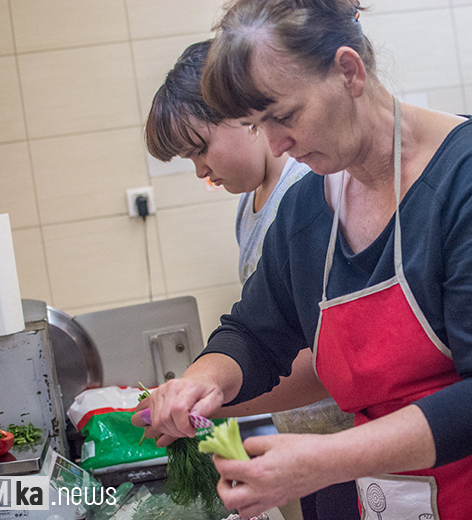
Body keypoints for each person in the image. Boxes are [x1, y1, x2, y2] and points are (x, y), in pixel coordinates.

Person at [134, 1, 472, 518]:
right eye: (258, 125)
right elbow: (254, 332)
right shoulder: (309, 210)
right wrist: (203, 380)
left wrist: (324, 459)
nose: (276, 143)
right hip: (406, 500)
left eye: (285, 116)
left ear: (349, 72)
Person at [144, 40, 359, 520]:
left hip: (354, 445)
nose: (201, 170)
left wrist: (214, 405)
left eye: (201, 149)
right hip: (305, 444)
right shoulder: (249, 206)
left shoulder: (303, 195)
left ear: (248, 116)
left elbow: (326, 358)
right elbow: (269, 334)